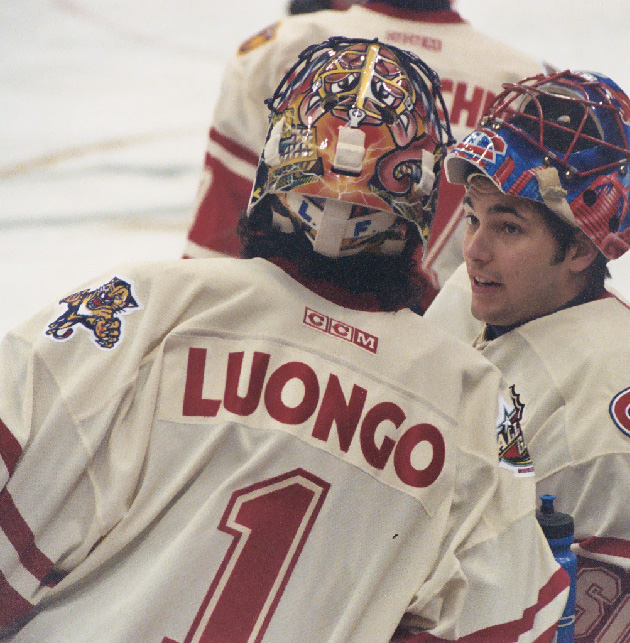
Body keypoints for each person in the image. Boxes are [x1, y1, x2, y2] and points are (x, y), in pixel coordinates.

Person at [0, 39, 570, 642]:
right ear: (419, 200)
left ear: (276, 166)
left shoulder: (151, 303)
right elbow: (505, 622)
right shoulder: (473, 397)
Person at [423, 70, 630, 641]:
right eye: (472, 217)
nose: (473, 251)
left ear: (580, 249)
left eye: (509, 227)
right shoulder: (481, 299)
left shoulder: (606, 394)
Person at [183, 0, 545, 294]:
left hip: (273, 341)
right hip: (439, 360)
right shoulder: (524, 81)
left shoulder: (283, 46)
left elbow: (213, 250)